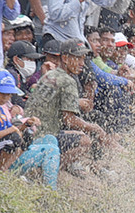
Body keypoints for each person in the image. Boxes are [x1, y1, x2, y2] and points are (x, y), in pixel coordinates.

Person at [24, 39, 100, 174]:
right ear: (65, 58)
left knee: (79, 133)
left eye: (83, 59)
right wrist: (94, 128)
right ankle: (46, 170)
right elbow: (69, 120)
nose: (82, 64)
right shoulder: (68, 81)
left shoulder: (50, 74)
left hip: (29, 130)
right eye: (77, 59)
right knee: (85, 141)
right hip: (43, 134)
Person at [0, 70, 60, 186]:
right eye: (2, 93)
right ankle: (0, 172)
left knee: (33, 135)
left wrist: (26, 125)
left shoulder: (2, 109)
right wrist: (13, 129)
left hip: (2, 148)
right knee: (15, 138)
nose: (6, 97)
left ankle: (11, 167)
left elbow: (12, 129)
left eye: (9, 94)